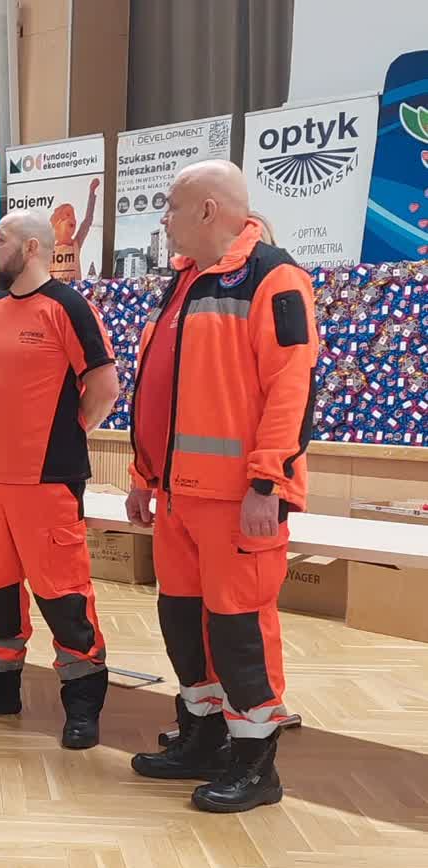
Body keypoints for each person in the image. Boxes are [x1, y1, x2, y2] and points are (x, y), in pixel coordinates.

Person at [126, 161, 317, 812]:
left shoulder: (273, 277)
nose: (164, 221)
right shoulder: (183, 283)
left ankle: (255, 763)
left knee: (239, 632)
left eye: (172, 208)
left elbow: (291, 388)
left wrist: (268, 481)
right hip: (176, 496)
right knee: (182, 624)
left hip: (238, 501)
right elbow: (163, 389)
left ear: (208, 209)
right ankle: (202, 737)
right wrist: (142, 475)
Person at [0, 212, 119, 750]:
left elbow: (104, 387)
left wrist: (68, 433)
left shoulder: (68, 307)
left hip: (47, 480)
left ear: (32, 247)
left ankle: (82, 703)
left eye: (0, 240)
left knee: (64, 596)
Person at [48, 177, 100, 281]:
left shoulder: (76, 244)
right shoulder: (50, 249)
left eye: (73, 216)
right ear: (57, 223)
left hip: (73, 288)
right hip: (57, 288)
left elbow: (87, 221)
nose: (72, 219)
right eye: (68, 215)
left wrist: (91, 193)